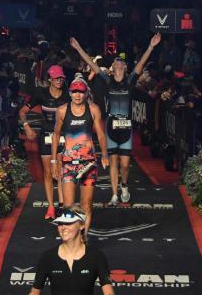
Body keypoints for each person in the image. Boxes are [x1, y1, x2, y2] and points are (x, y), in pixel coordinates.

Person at [71, 33, 161, 205]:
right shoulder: (107, 80)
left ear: (125, 67)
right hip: (111, 125)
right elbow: (92, 64)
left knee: (125, 164)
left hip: (126, 126)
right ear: (112, 67)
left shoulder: (130, 80)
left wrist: (151, 46)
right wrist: (78, 48)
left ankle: (124, 186)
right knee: (113, 161)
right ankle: (114, 194)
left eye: (121, 61)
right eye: (115, 61)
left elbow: (141, 64)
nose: (117, 61)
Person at [52, 76, 109, 237]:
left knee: (86, 205)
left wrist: (105, 154)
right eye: (75, 92)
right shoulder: (62, 110)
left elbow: (101, 134)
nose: (78, 95)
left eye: (81, 92)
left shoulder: (93, 109)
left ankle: (83, 238)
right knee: (68, 205)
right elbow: (56, 134)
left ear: (86, 93)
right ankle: (71, 237)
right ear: (70, 93)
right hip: (68, 164)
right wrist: (54, 161)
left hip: (88, 163)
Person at [19, 65, 70, 220]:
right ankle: (51, 206)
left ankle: (62, 205)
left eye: (61, 78)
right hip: (46, 136)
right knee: (48, 173)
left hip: (62, 136)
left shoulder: (67, 95)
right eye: (56, 78)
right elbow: (22, 112)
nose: (59, 81)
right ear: (49, 79)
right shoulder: (41, 94)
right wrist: (27, 127)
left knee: (60, 171)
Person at [30, 205, 114, 295]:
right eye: (60, 223)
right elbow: (34, 292)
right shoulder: (48, 257)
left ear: (81, 225)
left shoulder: (96, 256)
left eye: (68, 223)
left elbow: (108, 292)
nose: (63, 227)